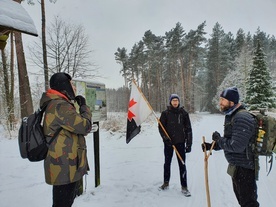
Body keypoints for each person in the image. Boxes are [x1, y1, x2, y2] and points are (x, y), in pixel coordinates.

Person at [39, 72, 92, 207]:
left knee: (64, 202)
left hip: (64, 164)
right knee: (62, 203)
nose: (74, 88)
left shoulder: (58, 103)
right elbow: (84, 126)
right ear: (64, 86)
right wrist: (84, 107)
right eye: (71, 84)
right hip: (63, 166)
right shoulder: (60, 106)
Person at [202, 87, 259, 207]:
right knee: (244, 202)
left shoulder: (242, 118)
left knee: (249, 203)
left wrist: (219, 139)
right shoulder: (232, 116)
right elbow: (231, 140)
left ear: (231, 102)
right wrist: (212, 146)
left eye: (223, 100)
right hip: (237, 167)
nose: (220, 102)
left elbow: (236, 146)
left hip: (245, 168)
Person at [158, 94, 193, 197]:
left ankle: (184, 186)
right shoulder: (165, 114)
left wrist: (189, 144)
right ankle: (166, 183)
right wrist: (166, 139)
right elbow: (161, 128)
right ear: (170, 102)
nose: (175, 102)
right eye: (173, 100)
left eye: (176, 100)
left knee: (182, 164)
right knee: (167, 163)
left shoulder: (183, 113)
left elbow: (188, 129)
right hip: (168, 143)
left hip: (180, 143)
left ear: (179, 102)